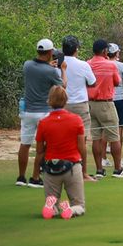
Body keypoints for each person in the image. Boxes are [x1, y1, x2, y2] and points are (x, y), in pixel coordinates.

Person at [34, 86, 90, 218]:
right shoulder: (76, 120)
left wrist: (36, 172)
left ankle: (51, 208)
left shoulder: (43, 123)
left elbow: (39, 151)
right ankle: (70, 209)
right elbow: (82, 147)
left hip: (51, 168)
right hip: (72, 166)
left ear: (50, 101)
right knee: (79, 205)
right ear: (66, 100)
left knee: (51, 203)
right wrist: (84, 170)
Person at [18, 38, 63, 188]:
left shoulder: (27, 65)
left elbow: (38, 69)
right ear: (50, 52)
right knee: (42, 146)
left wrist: (48, 66)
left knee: (24, 144)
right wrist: (63, 69)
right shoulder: (51, 71)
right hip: (43, 112)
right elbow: (62, 86)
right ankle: (35, 177)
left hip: (27, 111)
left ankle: (21, 177)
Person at [86, 39, 123, 179]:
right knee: (114, 137)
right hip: (106, 103)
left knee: (96, 137)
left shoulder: (87, 64)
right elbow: (116, 82)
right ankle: (118, 169)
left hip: (90, 104)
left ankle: (99, 170)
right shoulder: (110, 65)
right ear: (104, 51)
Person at [59, 36, 96, 171]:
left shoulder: (58, 64)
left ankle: (65, 167)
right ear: (76, 49)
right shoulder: (83, 64)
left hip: (63, 104)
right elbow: (92, 82)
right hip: (80, 104)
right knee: (82, 139)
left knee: (64, 137)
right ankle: (81, 170)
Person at [108, 43, 123, 165]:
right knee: (119, 128)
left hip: (106, 99)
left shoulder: (102, 64)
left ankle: (103, 159)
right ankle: (118, 159)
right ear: (116, 53)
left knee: (105, 129)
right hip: (119, 98)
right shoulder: (121, 66)